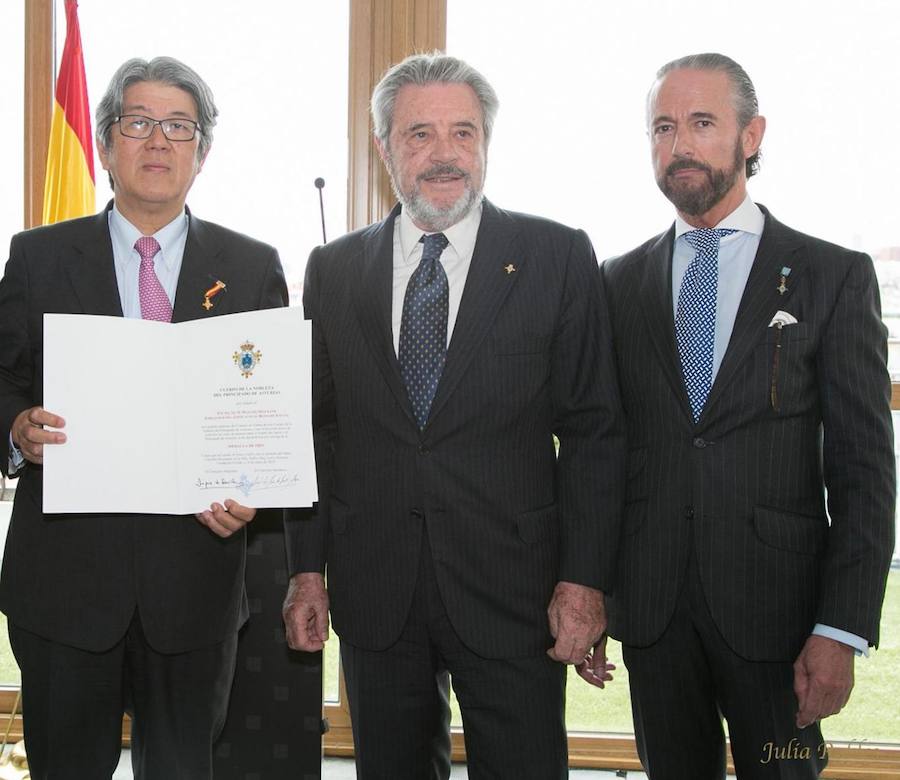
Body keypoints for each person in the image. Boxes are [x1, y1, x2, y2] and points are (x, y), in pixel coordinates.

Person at [282, 52, 623, 779]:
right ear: (383, 149)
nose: (444, 155)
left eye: (463, 133)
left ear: (486, 144)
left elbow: (595, 431)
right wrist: (306, 569)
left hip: (516, 591)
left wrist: (585, 580)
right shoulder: (333, 270)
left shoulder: (556, 255)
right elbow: (318, 431)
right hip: (377, 593)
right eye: (419, 135)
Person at [594, 52, 895, 779]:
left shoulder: (832, 276)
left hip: (781, 624)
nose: (681, 145)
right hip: (655, 617)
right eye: (663, 128)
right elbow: (603, 453)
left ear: (751, 135)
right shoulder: (618, 282)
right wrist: (591, 591)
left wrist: (841, 629)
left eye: (703, 123)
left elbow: (864, 472)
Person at [0, 56, 288, 779]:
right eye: (138, 123)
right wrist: (14, 429)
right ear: (105, 143)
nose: (158, 142)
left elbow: (276, 410)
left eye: (178, 126)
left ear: (203, 151)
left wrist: (251, 487)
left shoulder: (252, 267)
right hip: (63, 591)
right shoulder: (36, 259)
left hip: (194, 589)